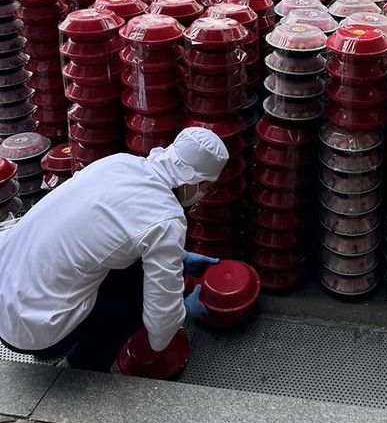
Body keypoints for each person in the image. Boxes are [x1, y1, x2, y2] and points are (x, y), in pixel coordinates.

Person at [0, 127, 228, 372]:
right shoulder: (166, 218)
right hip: (36, 332)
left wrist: (179, 259)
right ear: (193, 180)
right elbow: (160, 330)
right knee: (133, 295)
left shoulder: (118, 163)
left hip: (6, 298)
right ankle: (84, 366)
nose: (205, 194)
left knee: (131, 265)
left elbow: (101, 233)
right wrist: (182, 313)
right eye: (208, 187)